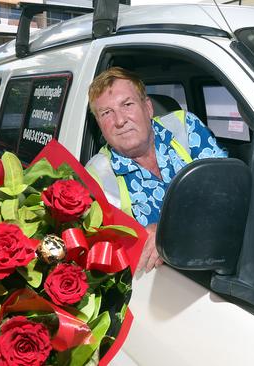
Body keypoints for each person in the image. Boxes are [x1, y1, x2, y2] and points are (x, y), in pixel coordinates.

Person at [85, 67, 227, 273]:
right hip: (165, 283)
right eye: (106, 113)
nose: (119, 121)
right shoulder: (97, 174)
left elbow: (227, 191)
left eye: (127, 104)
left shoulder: (184, 127)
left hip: (223, 256)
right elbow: (111, 256)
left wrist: (169, 230)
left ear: (148, 108)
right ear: (99, 124)